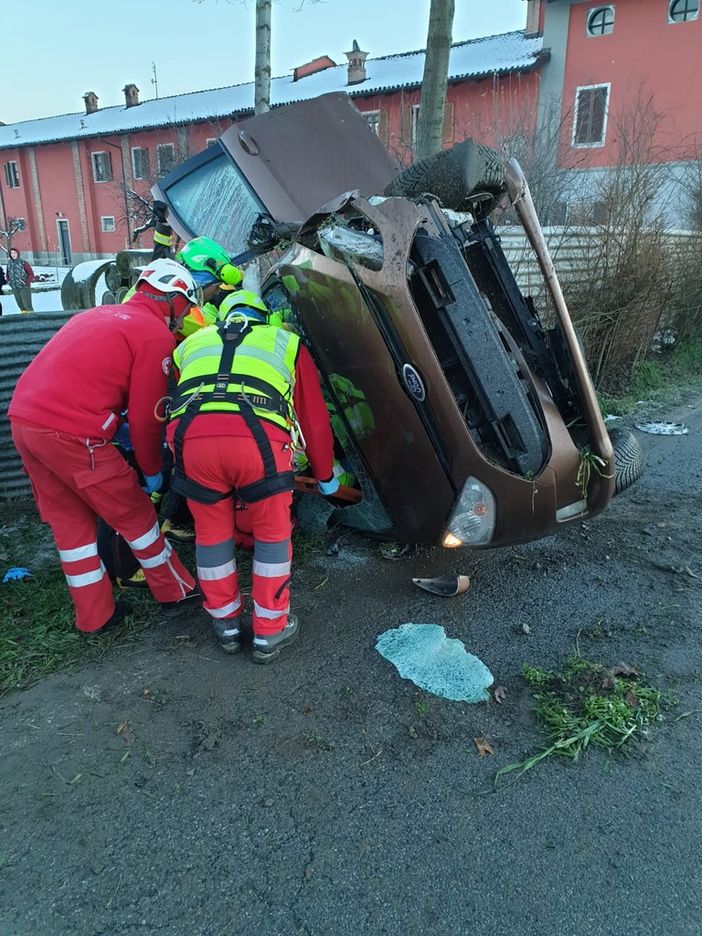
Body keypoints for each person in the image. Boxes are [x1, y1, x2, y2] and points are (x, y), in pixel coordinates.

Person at [9, 258, 201, 635]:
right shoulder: (153, 335)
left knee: (72, 525)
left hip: (25, 422)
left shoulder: (97, 315)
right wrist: (151, 473)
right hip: (73, 433)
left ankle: (95, 616)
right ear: (173, 298)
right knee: (135, 515)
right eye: (185, 307)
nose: (183, 318)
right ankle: (175, 592)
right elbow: (148, 418)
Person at [167, 289, 339, 662]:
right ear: (265, 317)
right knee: (272, 534)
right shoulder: (286, 343)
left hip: (192, 442)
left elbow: (178, 398)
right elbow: (313, 419)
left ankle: (226, 624)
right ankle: (269, 631)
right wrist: (325, 475)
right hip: (257, 441)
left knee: (211, 534)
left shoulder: (191, 344)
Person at [6, 247, 34, 312]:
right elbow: (7, 275)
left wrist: (26, 283)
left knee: (27, 305)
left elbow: (31, 274)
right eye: (11, 253)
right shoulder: (9, 264)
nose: (13, 254)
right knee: (20, 305)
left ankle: (32, 319)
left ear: (18, 254)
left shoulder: (23, 263)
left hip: (24, 288)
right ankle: (24, 319)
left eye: (14, 253)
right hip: (15, 288)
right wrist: (9, 282)